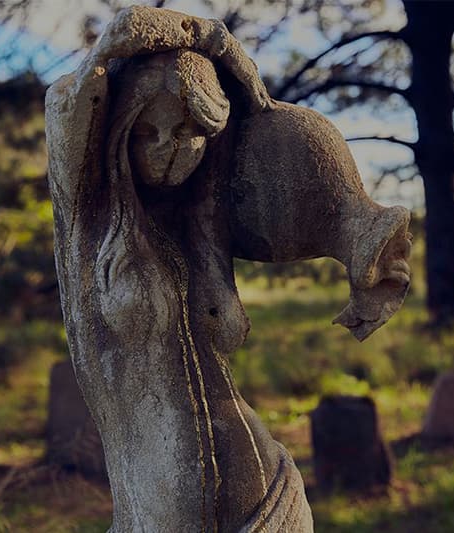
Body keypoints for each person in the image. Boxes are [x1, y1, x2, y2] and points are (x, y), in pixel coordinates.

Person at [46, 7, 312, 532]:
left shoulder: (204, 225)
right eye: (148, 132)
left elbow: (310, 196)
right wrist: (214, 39)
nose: (171, 148)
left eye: (192, 130)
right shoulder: (90, 221)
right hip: (160, 514)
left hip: (271, 496)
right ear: (119, 133)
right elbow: (91, 71)